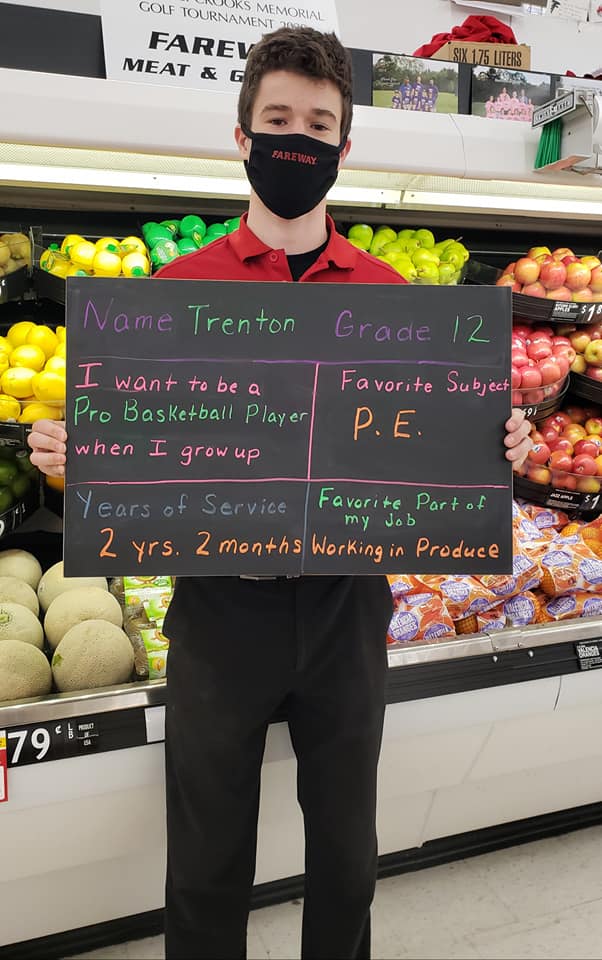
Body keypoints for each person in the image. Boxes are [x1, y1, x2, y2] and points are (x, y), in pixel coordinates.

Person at [28, 27, 532, 960]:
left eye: (318, 125)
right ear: (243, 136)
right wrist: (77, 456)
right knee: (206, 857)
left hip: (348, 607)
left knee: (346, 854)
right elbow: (143, 453)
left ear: (344, 146)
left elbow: (437, 444)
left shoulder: (396, 297)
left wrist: (498, 443)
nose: (297, 141)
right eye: (278, 120)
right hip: (220, 610)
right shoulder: (175, 292)